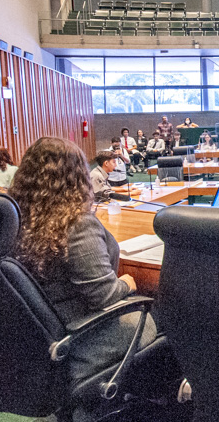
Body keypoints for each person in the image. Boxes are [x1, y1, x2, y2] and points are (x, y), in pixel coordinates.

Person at [10, 137, 158, 390]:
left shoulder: (17, 217)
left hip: (42, 333)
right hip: (83, 332)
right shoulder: (76, 223)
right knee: (162, 313)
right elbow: (104, 296)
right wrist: (126, 283)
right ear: (78, 176)